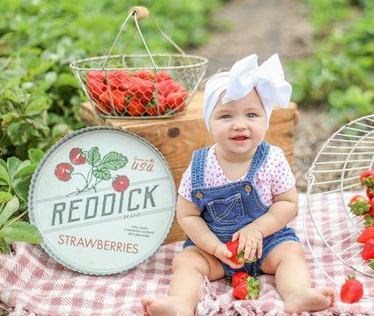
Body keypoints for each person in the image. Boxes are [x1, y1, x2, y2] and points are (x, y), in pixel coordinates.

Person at [141, 54, 336, 315]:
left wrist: (257, 229)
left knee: (291, 253)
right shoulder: (200, 166)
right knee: (186, 261)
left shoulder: (272, 159)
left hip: (267, 243)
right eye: (225, 116)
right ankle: (180, 302)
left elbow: (288, 203)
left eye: (252, 114)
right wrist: (213, 247)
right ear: (209, 122)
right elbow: (187, 215)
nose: (239, 124)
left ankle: (297, 293)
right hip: (215, 250)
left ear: (266, 120)